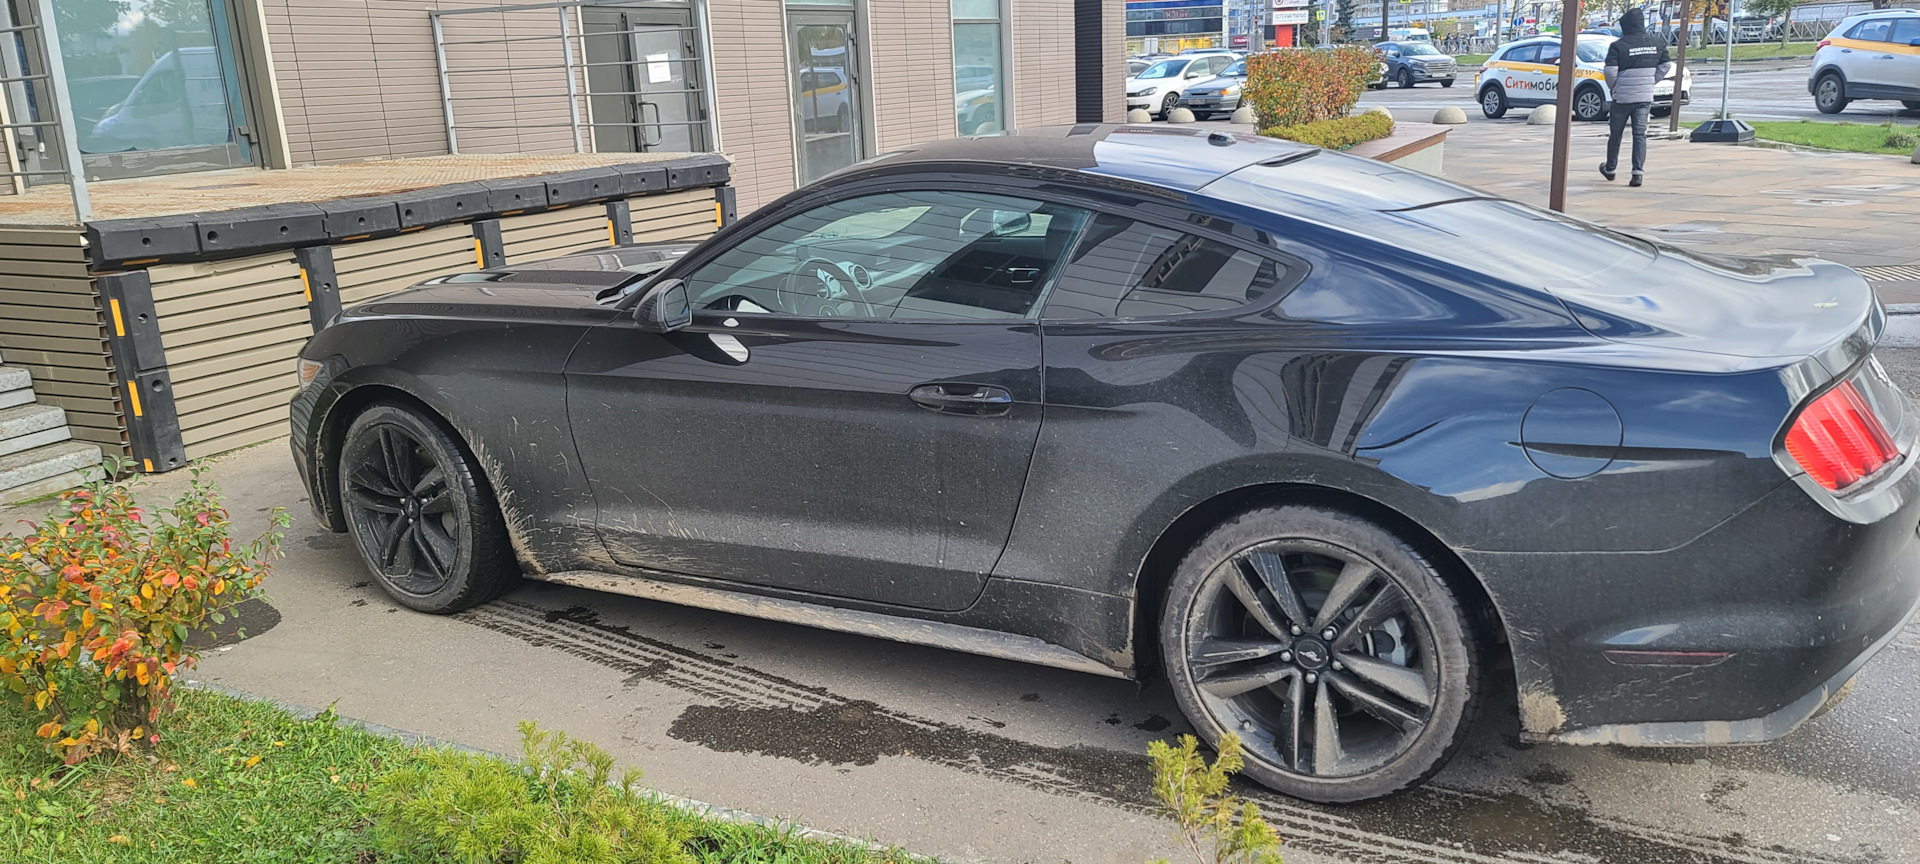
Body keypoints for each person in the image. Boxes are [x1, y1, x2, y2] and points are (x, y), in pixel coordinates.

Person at [1599, 9, 1673, 188]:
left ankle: (1610, 169)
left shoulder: (1619, 46)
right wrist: (1650, 81)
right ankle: (1637, 174)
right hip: (1644, 98)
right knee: (1639, 135)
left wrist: (1615, 86)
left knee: (1616, 134)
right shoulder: (1656, 43)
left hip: (1622, 98)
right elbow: (1666, 65)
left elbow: (1610, 71)